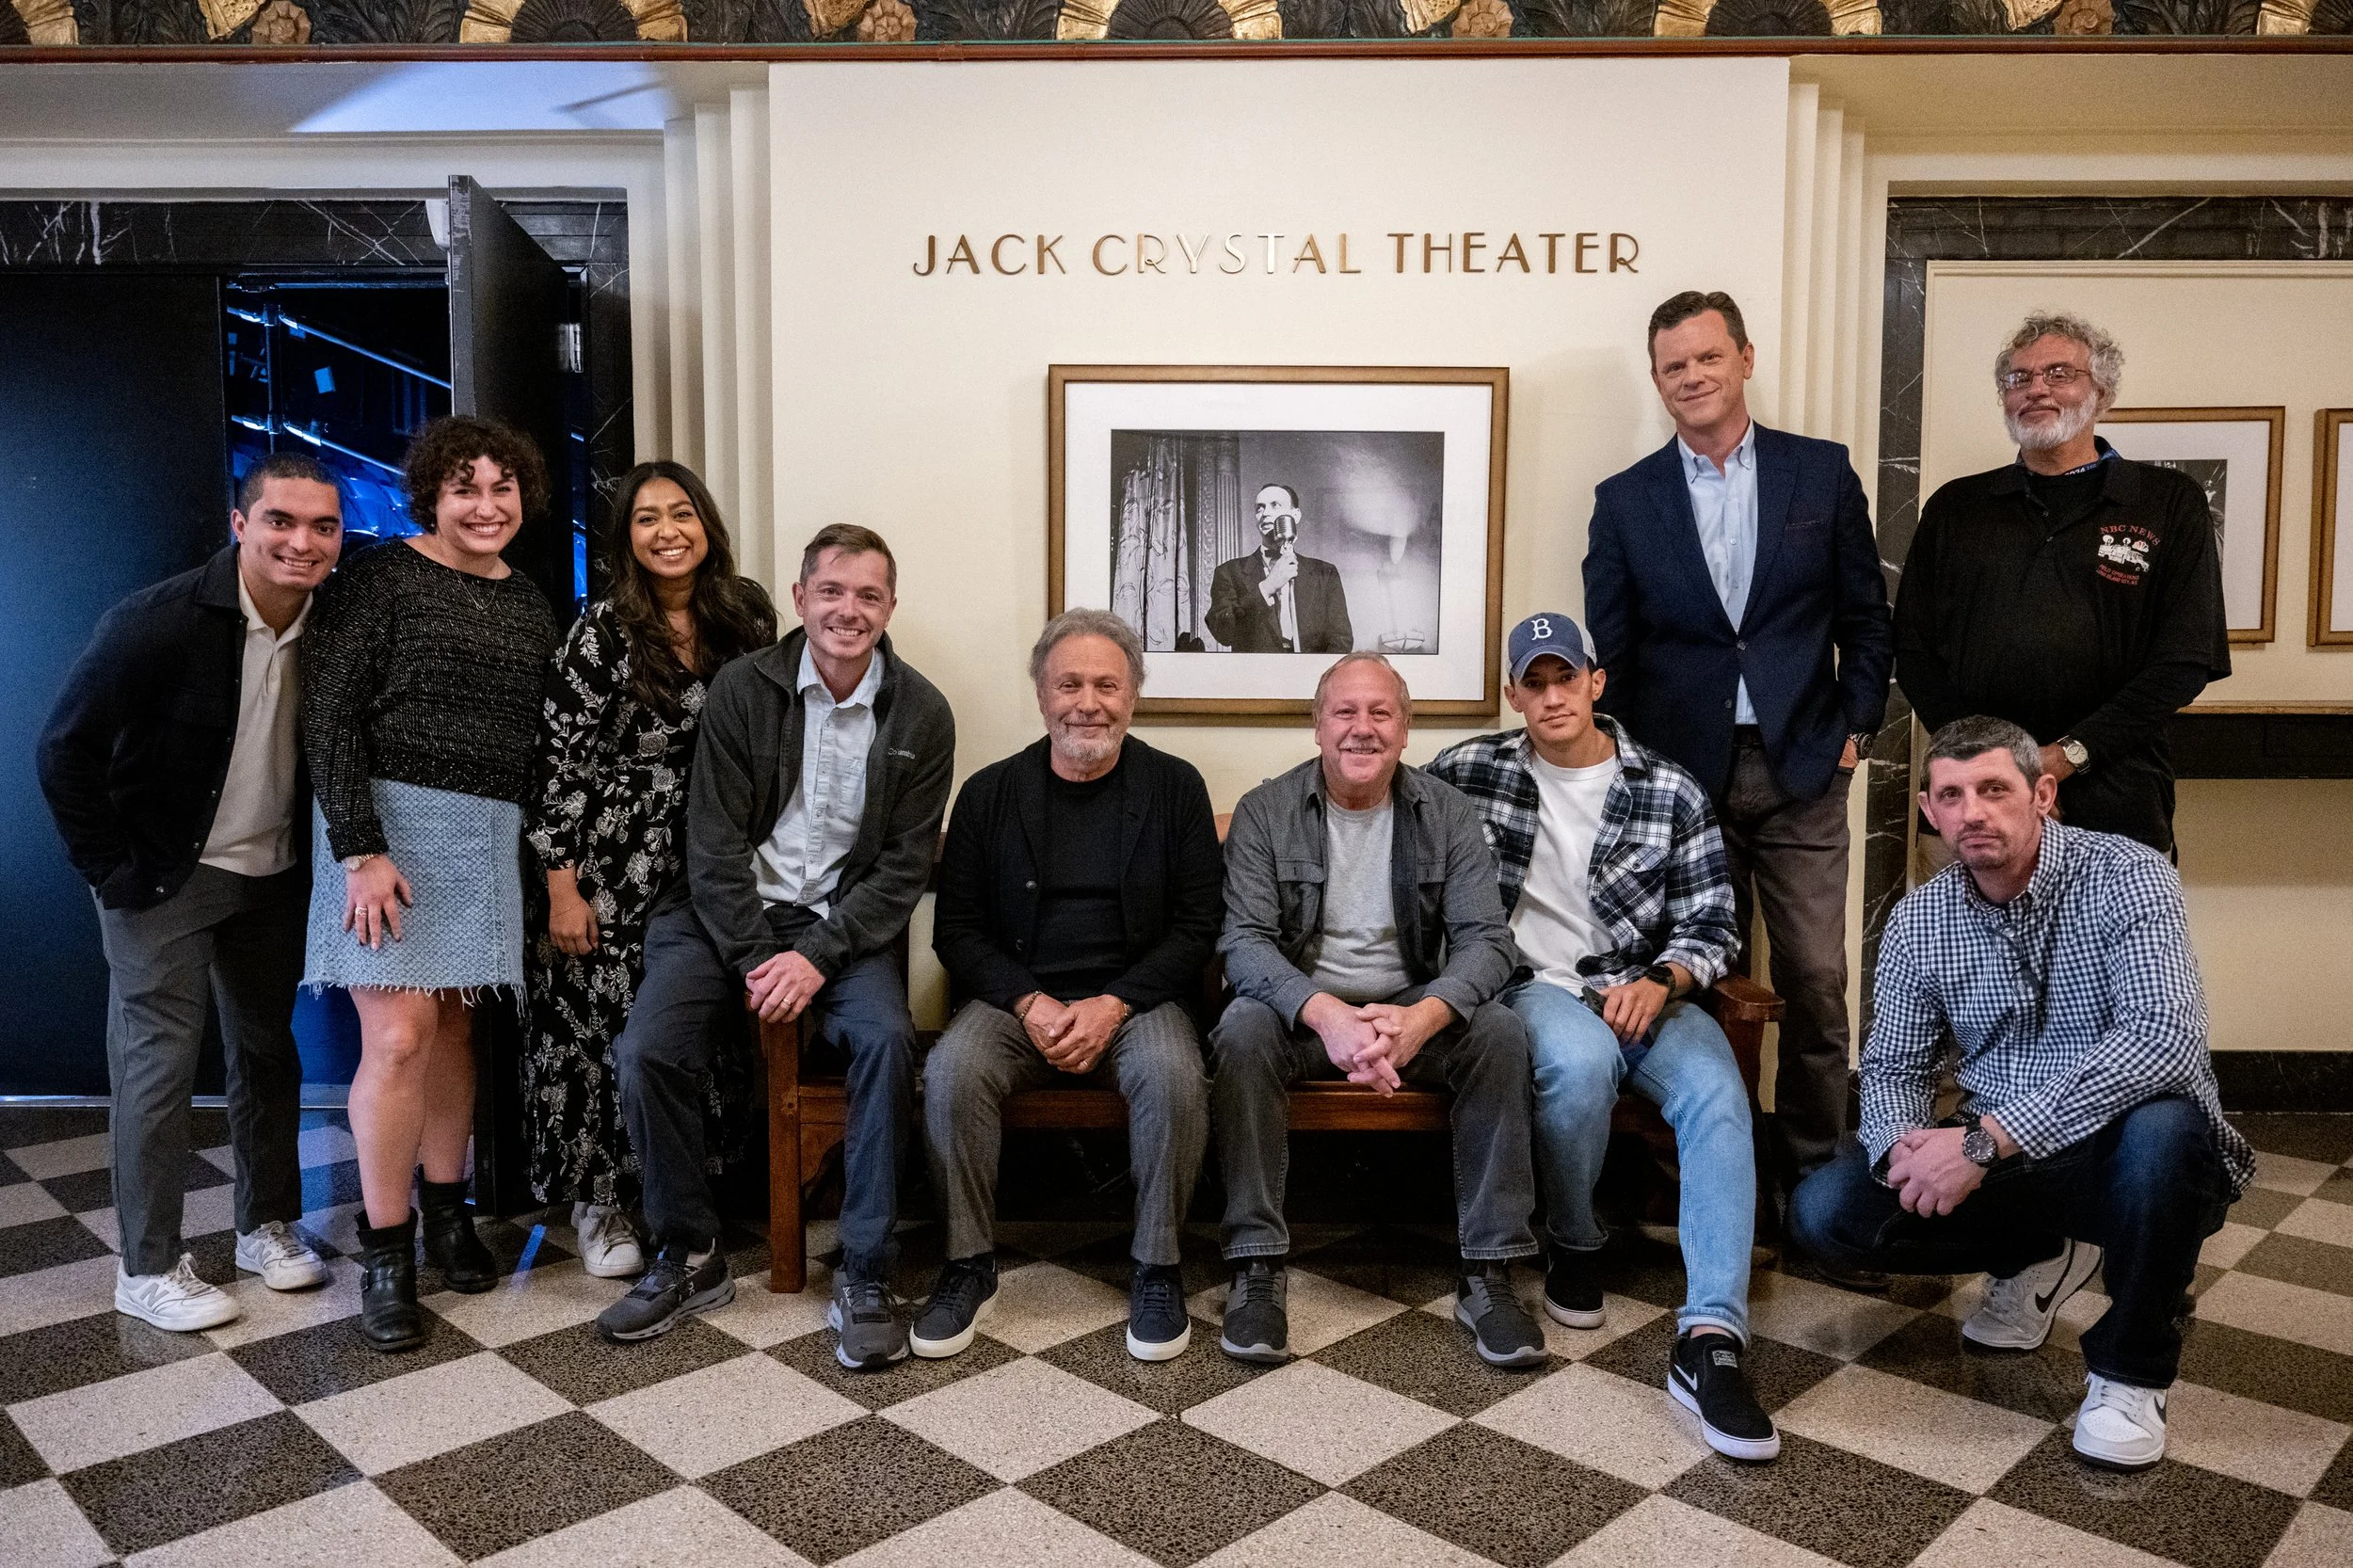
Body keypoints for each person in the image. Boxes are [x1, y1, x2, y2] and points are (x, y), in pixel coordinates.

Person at [1790, 716, 2251, 1471]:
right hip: (2011, 1159)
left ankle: (2129, 1373)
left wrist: (1982, 1142)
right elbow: (1895, 1067)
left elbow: (2163, 1039)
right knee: (1827, 1212)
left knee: (2164, 1135)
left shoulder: (2130, 874)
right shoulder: (1919, 920)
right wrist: (1907, 1150)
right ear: (1931, 811)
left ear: (2041, 794)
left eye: (1995, 789)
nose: (1973, 812)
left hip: (2126, 1144)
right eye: (1952, 795)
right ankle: (2045, 1252)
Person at [597, 525, 952, 1366]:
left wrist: (816, 956)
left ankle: (865, 1269)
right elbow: (712, 844)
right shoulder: (742, 689)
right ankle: (688, 1251)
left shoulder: (924, 711)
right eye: (831, 590)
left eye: (868, 595)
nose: (848, 610)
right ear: (800, 599)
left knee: (887, 1041)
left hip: (840, 926)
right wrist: (761, 959)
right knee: (648, 1050)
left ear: (890, 607)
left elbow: (902, 871)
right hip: (723, 915)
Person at [1430, 612, 1775, 1461]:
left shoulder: (1668, 788)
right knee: (1577, 1066)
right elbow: (1390, 826)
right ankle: (1576, 1241)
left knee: (1719, 1098)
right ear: (1514, 695)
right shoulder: (1465, 772)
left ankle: (1712, 1337)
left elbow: (1712, 922)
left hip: (1648, 991)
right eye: (1533, 682)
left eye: (1566, 677)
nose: (1552, 696)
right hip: (1531, 987)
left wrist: (1660, 982)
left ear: (1596, 682)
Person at [1583, 288, 1894, 1220]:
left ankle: (1814, 1181)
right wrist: (1636, 775)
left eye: (1706, 358)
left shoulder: (1819, 474)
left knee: (1814, 981)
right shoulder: (1626, 501)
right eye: (1672, 365)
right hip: (1681, 782)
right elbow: (1616, 652)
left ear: (1744, 359)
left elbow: (1864, 620)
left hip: (1802, 767)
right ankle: (1701, 1179)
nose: (1691, 376)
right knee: (1684, 975)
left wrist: (1855, 727)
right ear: (1656, 379)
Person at [38, 453, 344, 1331]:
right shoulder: (160, 621)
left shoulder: (334, 621)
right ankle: (146, 1267)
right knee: (158, 1071)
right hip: (164, 877)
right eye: (281, 521)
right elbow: (64, 749)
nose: (302, 542)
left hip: (277, 874)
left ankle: (265, 1226)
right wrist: (114, 872)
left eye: (322, 526)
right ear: (241, 524)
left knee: (267, 1053)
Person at [302, 416, 562, 1352]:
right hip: (387, 834)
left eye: (502, 486)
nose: (485, 505)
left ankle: (448, 1207)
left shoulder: (531, 602)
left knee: (457, 1023)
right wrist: (361, 849)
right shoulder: (378, 578)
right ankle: (386, 1249)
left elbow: (541, 747)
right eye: (465, 487)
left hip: (487, 833)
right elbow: (327, 715)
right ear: (431, 496)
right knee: (402, 1034)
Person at [1212, 652, 1545, 1369]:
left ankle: (1488, 1271)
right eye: (1344, 713)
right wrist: (1325, 1013)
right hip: (1305, 1012)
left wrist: (1425, 1016)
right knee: (1240, 1030)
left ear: (1405, 728)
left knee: (1501, 1032)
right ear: (1316, 726)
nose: (1361, 730)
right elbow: (1244, 944)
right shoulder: (1268, 811)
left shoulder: (1447, 812)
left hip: (1408, 1009)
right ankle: (1256, 1265)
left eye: (1380, 714)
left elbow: (1488, 942)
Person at [919, 610, 1222, 1363]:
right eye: (1070, 684)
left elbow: (1195, 927)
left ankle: (1156, 1267)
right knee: (952, 1069)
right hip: (1016, 1000)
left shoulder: (1176, 789)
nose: (1088, 702)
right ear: (1041, 694)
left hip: (1137, 999)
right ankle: (966, 1264)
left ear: (1134, 696)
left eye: (1107, 685)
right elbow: (955, 932)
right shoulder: (988, 794)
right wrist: (1031, 1001)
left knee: (1174, 1073)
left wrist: (1113, 1003)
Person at [525, 463, 776, 1279]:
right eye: (646, 519)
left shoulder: (746, 614)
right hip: (610, 860)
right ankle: (600, 1207)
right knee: (600, 1035)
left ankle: (688, 1200)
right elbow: (558, 765)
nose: (667, 531)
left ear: (707, 523)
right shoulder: (599, 630)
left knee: (684, 1029)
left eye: (681, 513)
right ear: (625, 537)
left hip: (716, 850)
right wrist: (562, 887)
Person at [1895, 312, 2231, 856]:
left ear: (2102, 393)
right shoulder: (1956, 508)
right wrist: (1994, 763)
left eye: (2058, 373)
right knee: (1969, 943)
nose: (2036, 390)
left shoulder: (2169, 502)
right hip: (1979, 801)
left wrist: (2065, 757)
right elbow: (1912, 649)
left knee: (2120, 944)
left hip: (2117, 797)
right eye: (2019, 378)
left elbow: (2184, 661)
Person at [1205, 483, 1354, 654]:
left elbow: (1341, 639)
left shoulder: (1325, 573)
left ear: (1295, 515)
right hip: (1257, 675)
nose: (1265, 513)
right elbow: (1223, 633)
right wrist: (1267, 587)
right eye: (1259, 509)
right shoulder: (1229, 572)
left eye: (1275, 505)